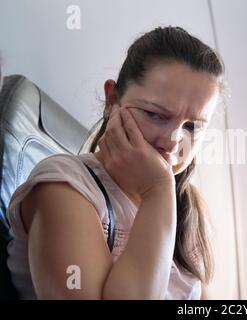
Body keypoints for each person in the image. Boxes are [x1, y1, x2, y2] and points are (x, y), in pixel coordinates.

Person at [5, 26, 225, 299]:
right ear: (112, 100)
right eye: (155, 114)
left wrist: (163, 193)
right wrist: (157, 192)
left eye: (192, 127)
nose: (173, 140)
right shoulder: (64, 188)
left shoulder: (185, 206)